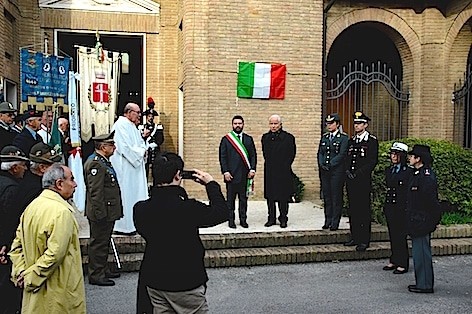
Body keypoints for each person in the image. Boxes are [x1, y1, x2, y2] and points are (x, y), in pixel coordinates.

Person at [133, 152, 229, 314]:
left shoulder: (140, 209)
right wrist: (211, 184)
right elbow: (221, 212)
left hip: (154, 279)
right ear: (178, 175)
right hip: (186, 280)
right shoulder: (188, 208)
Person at [8, 164, 85, 313]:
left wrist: (20, 272)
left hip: (35, 294)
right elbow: (55, 254)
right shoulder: (61, 212)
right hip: (58, 293)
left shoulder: (32, 207)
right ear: (59, 184)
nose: (75, 184)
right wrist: (30, 277)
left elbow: (16, 246)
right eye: (72, 179)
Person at [84, 132, 123, 286]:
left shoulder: (103, 162)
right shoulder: (96, 164)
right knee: (98, 243)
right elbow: (96, 192)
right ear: (103, 147)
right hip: (101, 211)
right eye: (111, 145)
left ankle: (102, 268)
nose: (114, 147)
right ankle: (96, 274)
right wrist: (100, 214)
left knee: (104, 241)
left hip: (108, 210)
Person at [110, 102, 150, 234]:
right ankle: (125, 226)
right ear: (128, 112)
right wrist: (140, 153)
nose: (139, 115)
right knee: (127, 194)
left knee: (136, 194)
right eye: (137, 112)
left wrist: (143, 150)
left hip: (135, 167)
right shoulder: (120, 125)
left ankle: (136, 224)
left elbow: (140, 144)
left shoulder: (132, 126)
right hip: (126, 168)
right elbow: (124, 147)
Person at [406, 144, 439, 293]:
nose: (410, 158)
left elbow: (431, 201)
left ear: (418, 159)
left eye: (412, 156)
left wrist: (431, 220)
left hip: (422, 220)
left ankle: (425, 284)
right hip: (416, 219)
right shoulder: (417, 174)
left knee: (422, 253)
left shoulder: (425, 176)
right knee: (418, 252)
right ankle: (421, 282)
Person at [344, 111, 378, 251]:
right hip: (351, 181)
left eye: (359, 123)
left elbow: (372, 161)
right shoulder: (352, 140)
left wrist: (359, 173)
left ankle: (364, 239)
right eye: (355, 123)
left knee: (363, 210)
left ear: (365, 125)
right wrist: (347, 171)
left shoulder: (371, 141)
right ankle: (355, 236)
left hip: (363, 181)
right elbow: (347, 158)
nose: (356, 126)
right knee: (353, 209)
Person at [0, 146, 29, 314]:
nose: (25, 169)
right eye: (23, 165)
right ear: (14, 168)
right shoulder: (11, 189)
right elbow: (9, 222)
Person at [219, 115, 257, 228]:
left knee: (243, 200)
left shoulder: (248, 139)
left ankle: (243, 220)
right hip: (231, 176)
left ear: (243, 124)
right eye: (235, 123)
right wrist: (225, 171)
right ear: (232, 125)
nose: (237, 125)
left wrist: (253, 169)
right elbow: (222, 157)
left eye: (239, 123)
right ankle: (231, 220)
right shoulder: (226, 139)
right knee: (230, 201)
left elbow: (253, 156)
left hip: (245, 175)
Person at [382, 142, 413, 274]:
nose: (393, 156)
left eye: (396, 154)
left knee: (401, 235)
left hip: (401, 207)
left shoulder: (408, 171)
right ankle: (394, 259)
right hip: (391, 205)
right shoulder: (389, 170)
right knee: (392, 234)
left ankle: (403, 262)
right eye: (392, 154)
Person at [261, 114, 296, 228]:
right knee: (270, 197)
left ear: (280, 124)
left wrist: (285, 165)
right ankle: (271, 218)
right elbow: (265, 153)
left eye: (275, 123)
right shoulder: (265, 137)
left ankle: (283, 218)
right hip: (270, 170)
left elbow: (292, 154)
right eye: (271, 123)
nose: (273, 126)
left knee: (283, 196)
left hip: (283, 171)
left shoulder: (288, 138)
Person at [317, 113, 348, 231]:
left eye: (331, 123)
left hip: (336, 171)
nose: (329, 126)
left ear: (337, 124)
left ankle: (335, 222)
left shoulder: (343, 138)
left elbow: (342, 154)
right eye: (327, 124)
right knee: (327, 196)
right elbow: (320, 152)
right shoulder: (325, 137)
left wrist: (331, 164)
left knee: (336, 197)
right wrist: (321, 163)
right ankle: (327, 220)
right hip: (325, 172)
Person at [17, 142, 63, 212]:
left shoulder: (31, 180)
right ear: (42, 168)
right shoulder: (36, 190)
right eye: (54, 165)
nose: (57, 168)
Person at [140, 109, 164, 179]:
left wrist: (155, 144)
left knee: (156, 170)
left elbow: (160, 139)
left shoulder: (158, 127)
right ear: (147, 117)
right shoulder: (141, 127)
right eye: (149, 116)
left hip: (154, 151)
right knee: (145, 170)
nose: (150, 118)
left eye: (152, 116)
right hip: (145, 151)